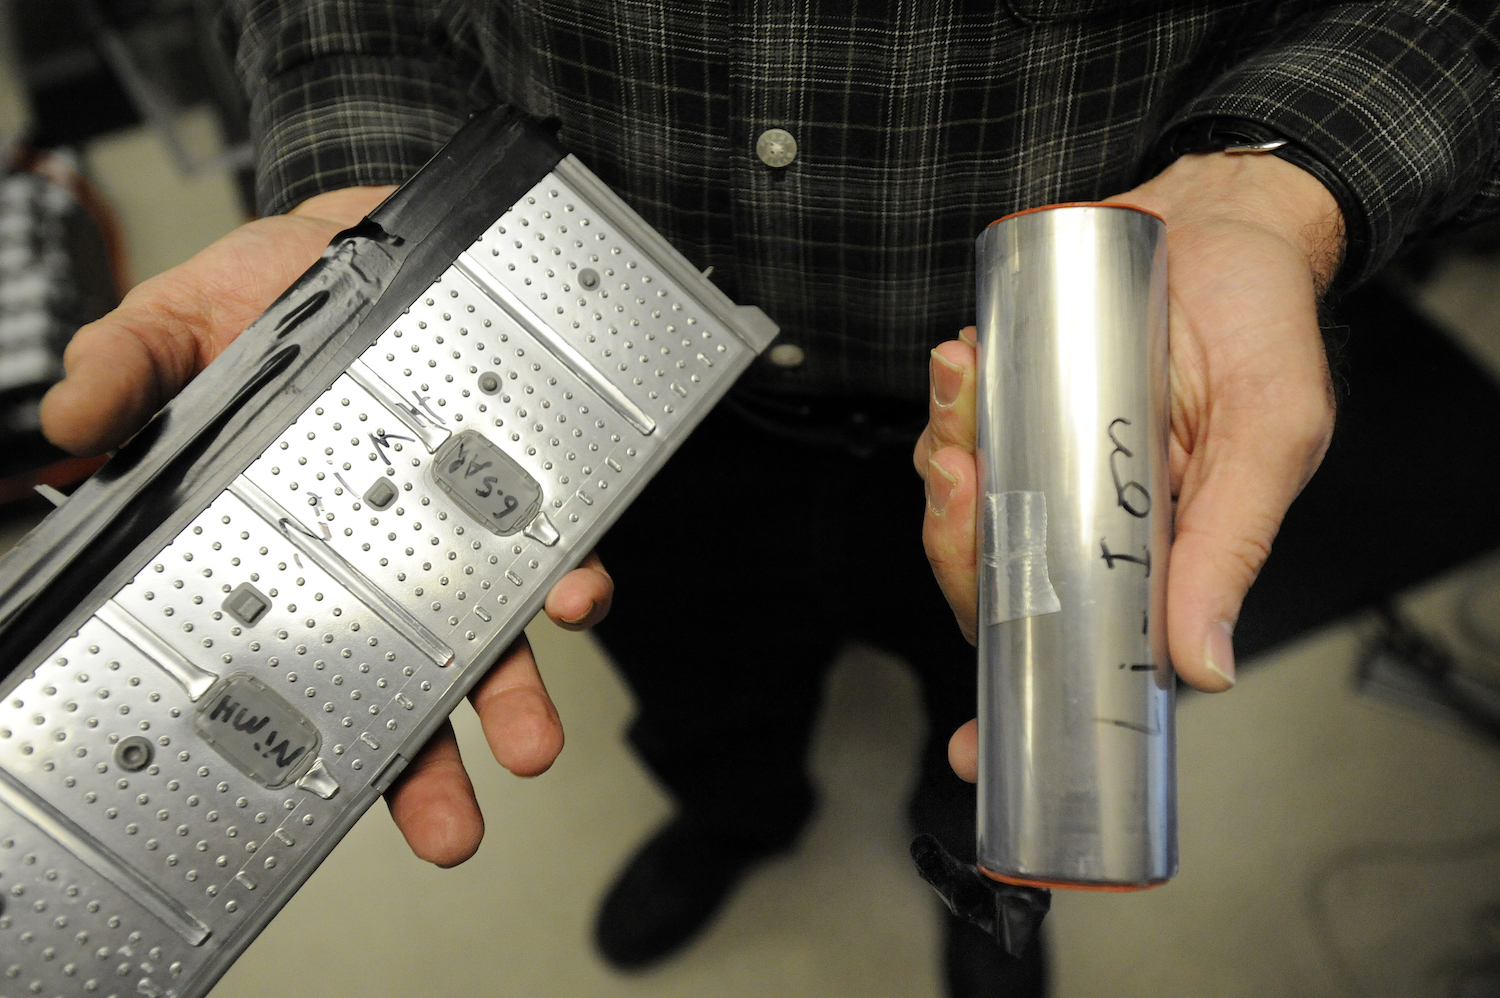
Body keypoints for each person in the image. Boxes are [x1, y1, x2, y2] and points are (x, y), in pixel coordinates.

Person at [39, 2, 1500, 994]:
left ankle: (987, 884)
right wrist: (378, 212)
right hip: (610, 406)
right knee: (696, 687)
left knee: (1011, 744)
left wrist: (1283, 179)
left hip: (1053, 425)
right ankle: (735, 813)